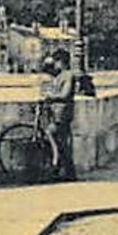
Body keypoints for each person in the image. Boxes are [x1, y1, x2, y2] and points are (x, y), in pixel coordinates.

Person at [40, 48, 77, 181]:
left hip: (63, 113)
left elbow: (65, 94)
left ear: (61, 62)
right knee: (60, 142)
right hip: (56, 112)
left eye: (56, 62)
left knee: (53, 135)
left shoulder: (68, 75)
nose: (54, 65)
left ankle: (58, 166)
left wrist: (51, 96)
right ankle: (65, 170)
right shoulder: (60, 75)